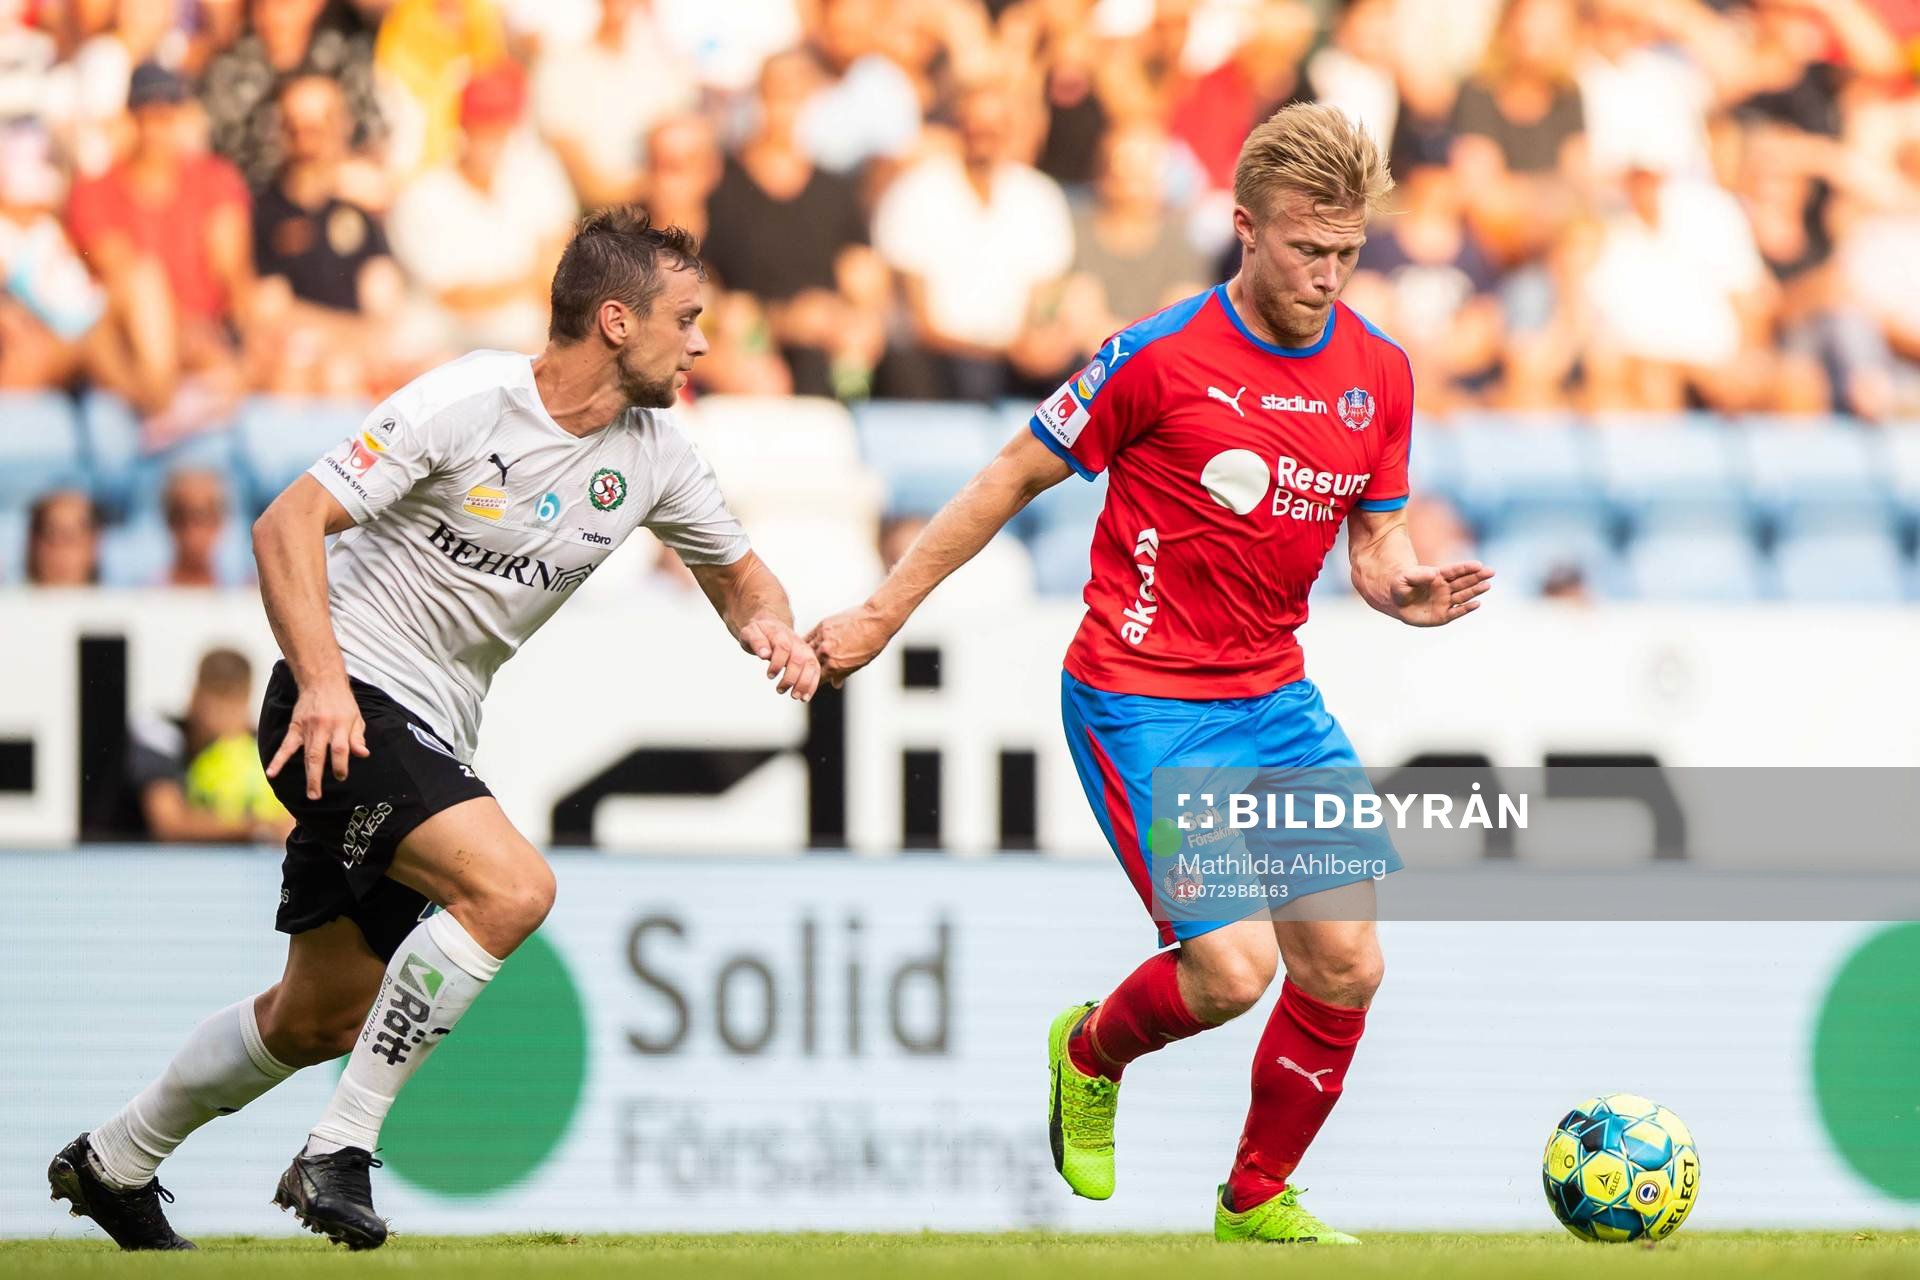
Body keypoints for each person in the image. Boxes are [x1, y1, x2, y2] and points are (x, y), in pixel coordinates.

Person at [47, 206, 821, 1252]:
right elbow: (285, 524)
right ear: (613, 320)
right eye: (685, 318)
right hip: (341, 698)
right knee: (512, 887)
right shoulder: (467, 399)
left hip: (423, 726)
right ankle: (340, 1147)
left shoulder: (657, 455)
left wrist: (769, 624)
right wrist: (322, 681)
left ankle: (113, 1160)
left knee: (314, 1017)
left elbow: (739, 575)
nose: (700, 341)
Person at [810, 104, 1492, 1244]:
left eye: (1346, 253)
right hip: (1143, 694)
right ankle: (1088, 1048)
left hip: (1277, 698)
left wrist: (1402, 586)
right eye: (1304, 249)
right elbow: (1000, 481)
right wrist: (882, 613)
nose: (1326, 275)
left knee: (1345, 962)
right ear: (1243, 228)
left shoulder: (1378, 372)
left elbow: (1374, 543)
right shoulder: (1160, 357)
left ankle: (1255, 1196)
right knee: (1231, 970)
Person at [124, 648, 293, 844]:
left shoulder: (262, 744)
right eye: (216, 700)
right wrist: (259, 827)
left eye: (232, 703)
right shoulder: (159, 733)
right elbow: (169, 824)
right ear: (194, 696)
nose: (221, 715)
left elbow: (290, 821)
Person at [24, 489, 101, 586]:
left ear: (94, 545)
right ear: (33, 543)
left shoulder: (118, 599)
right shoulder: (8, 599)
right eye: (50, 533)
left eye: (72, 536)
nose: (60, 547)